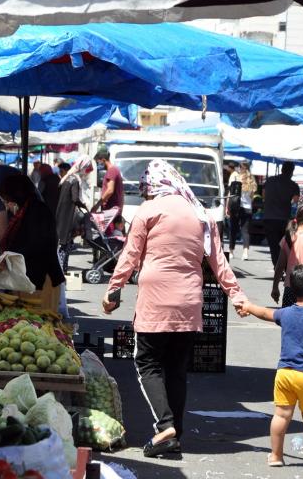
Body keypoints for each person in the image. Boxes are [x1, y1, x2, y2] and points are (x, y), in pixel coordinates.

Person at [102, 160, 247, 457]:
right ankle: (174, 433)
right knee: (176, 369)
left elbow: (130, 256)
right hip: (189, 301)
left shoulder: (149, 211)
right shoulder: (200, 212)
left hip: (156, 299)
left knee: (147, 364)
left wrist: (113, 291)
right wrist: (237, 296)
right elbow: (218, 262)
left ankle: (165, 426)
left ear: (153, 185)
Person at [239, 264, 303, 472]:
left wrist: (247, 305)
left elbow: (263, 313)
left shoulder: (286, 313)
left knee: (281, 416)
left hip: (285, 374)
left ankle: (276, 455)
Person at [0, 174, 65, 297]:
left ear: (16, 196)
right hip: (27, 280)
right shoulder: (26, 210)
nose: (6, 206)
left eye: (7, 201)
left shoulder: (37, 210)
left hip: (38, 281)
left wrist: (4, 258)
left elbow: (36, 245)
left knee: (34, 316)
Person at [55, 155, 93, 273]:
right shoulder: (74, 180)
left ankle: (61, 271)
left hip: (60, 214)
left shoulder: (67, 178)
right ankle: (62, 271)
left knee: (61, 244)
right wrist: (84, 206)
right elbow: (75, 198)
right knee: (64, 245)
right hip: (67, 216)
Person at [263, 162, 301, 267]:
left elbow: (264, 196)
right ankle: (284, 267)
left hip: (269, 217)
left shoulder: (269, 180)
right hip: (284, 219)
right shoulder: (293, 185)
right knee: (285, 246)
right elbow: (295, 202)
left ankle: (277, 267)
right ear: (292, 172)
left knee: (273, 246)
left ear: (282, 169)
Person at [228, 161, 257, 260]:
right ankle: (245, 253)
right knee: (245, 231)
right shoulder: (252, 179)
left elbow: (230, 193)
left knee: (233, 229)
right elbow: (252, 197)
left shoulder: (235, 177)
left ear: (240, 167)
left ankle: (231, 251)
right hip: (247, 207)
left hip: (236, 207)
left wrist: (227, 207)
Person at [93, 150, 124, 215]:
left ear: (103, 160)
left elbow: (110, 190)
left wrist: (97, 205)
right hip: (113, 209)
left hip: (111, 210)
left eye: (98, 162)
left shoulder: (111, 171)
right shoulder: (115, 169)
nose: (98, 165)